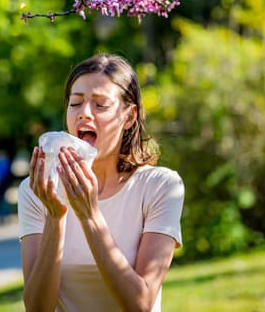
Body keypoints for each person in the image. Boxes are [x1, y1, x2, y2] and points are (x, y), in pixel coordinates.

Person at [18, 54, 185, 311]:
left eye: (101, 105)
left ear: (129, 117)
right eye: (76, 103)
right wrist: (55, 216)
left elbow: (140, 305)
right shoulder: (37, 191)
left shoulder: (161, 187)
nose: (84, 113)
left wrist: (90, 215)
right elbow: (37, 308)